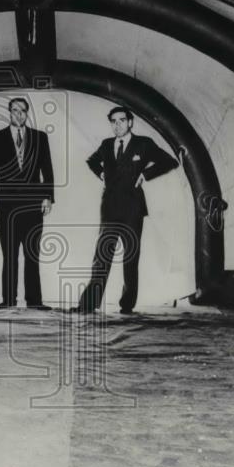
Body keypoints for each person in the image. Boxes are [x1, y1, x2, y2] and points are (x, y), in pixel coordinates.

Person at [72, 106, 179, 314]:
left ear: (130, 122)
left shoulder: (144, 144)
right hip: (110, 208)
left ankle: (127, 305)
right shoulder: (106, 144)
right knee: (102, 256)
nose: (117, 125)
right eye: (113, 121)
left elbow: (170, 161)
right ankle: (88, 304)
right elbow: (92, 161)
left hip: (133, 209)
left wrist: (145, 175)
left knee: (130, 257)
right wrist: (101, 174)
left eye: (121, 120)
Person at [0, 96, 54, 310]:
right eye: (15, 110)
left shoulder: (40, 138)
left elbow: (47, 170)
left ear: (27, 112)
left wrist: (48, 197)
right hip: (5, 204)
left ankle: (35, 301)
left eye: (22, 110)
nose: (19, 114)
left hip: (33, 204)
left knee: (32, 253)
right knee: (10, 254)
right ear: (9, 112)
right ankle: (8, 300)